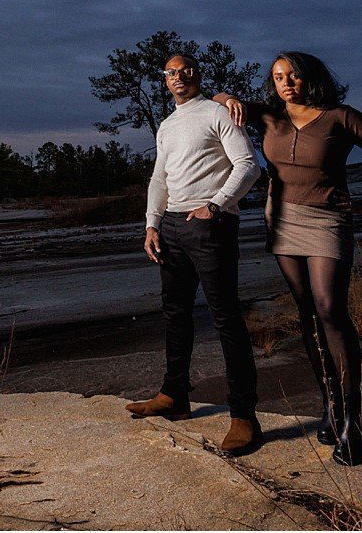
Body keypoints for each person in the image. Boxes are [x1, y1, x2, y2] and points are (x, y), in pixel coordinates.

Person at [214, 52, 362, 466]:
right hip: (281, 220)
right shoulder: (267, 117)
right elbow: (220, 100)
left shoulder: (340, 117)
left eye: (293, 76)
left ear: (309, 78)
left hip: (328, 219)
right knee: (307, 315)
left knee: (331, 310)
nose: (286, 83)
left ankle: (355, 420)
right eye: (279, 77)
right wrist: (227, 95)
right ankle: (331, 410)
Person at [124, 53, 265, 455]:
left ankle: (244, 416)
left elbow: (248, 166)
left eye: (185, 71)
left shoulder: (217, 112)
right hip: (170, 226)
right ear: (165, 80)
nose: (178, 77)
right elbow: (159, 176)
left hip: (210, 225)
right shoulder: (168, 124)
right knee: (175, 313)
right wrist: (151, 224)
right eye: (170, 73)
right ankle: (174, 397)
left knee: (226, 318)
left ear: (196, 75)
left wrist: (215, 205)